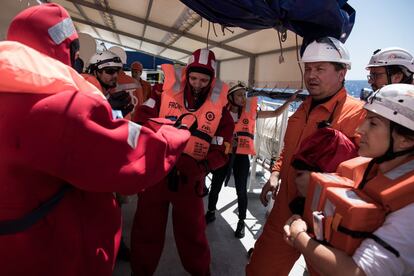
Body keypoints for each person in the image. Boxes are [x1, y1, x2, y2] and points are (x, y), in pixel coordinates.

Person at [0, 4, 190, 276]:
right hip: (52, 253)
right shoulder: (64, 107)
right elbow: (134, 158)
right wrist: (173, 133)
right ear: (68, 51)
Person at [246, 37, 367, 276]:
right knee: (259, 269)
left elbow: (366, 175)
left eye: (320, 69)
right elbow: (289, 149)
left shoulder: (359, 115)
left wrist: (321, 180)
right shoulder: (302, 108)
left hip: (328, 221)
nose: (311, 75)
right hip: (285, 206)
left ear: (342, 73)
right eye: (309, 68)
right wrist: (276, 172)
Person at [283, 83, 414, 276]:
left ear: (406, 140)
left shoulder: (409, 210)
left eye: (373, 123)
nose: (360, 129)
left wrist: (299, 237)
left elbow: (357, 272)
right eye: (365, 119)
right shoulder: (364, 168)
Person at [130, 48, 234, 275]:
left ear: (211, 80)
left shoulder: (221, 109)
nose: (197, 84)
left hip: (191, 180)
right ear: (187, 75)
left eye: (204, 80)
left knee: (192, 236)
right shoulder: (162, 91)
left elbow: (223, 148)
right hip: (157, 173)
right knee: (146, 230)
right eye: (194, 78)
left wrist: (203, 167)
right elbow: (141, 117)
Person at [205, 81, 300, 239]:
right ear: (230, 97)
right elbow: (210, 132)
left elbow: (275, 114)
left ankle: (241, 222)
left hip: (241, 157)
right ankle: (211, 212)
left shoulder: (250, 112)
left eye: (245, 94)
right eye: (240, 95)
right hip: (223, 154)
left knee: (241, 190)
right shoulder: (220, 113)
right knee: (215, 186)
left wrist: (288, 102)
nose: (243, 98)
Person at [85, 50, 135, 119]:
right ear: (95, 72)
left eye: (117, 71)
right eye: (110, 71)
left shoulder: (113, 95)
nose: (115, 75)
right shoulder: (84, 91)